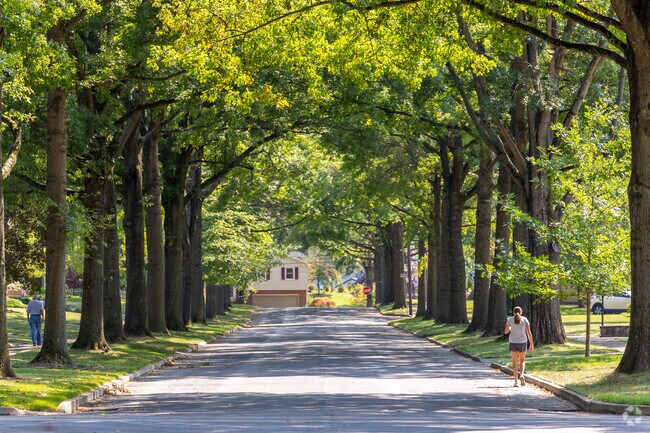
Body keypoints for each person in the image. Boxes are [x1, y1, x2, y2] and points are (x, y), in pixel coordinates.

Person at [504, 306, 534, 387]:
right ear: (520, 312)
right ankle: (522, 375)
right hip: (523, 342)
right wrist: (531, 343)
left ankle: (516, 381)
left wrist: (510, 328)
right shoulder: (525, 319)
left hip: (513, 342)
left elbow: (506, 331)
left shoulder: (510, 319)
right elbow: (529, 332)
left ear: (513, 312)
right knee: (522, 361)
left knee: (514, 362)